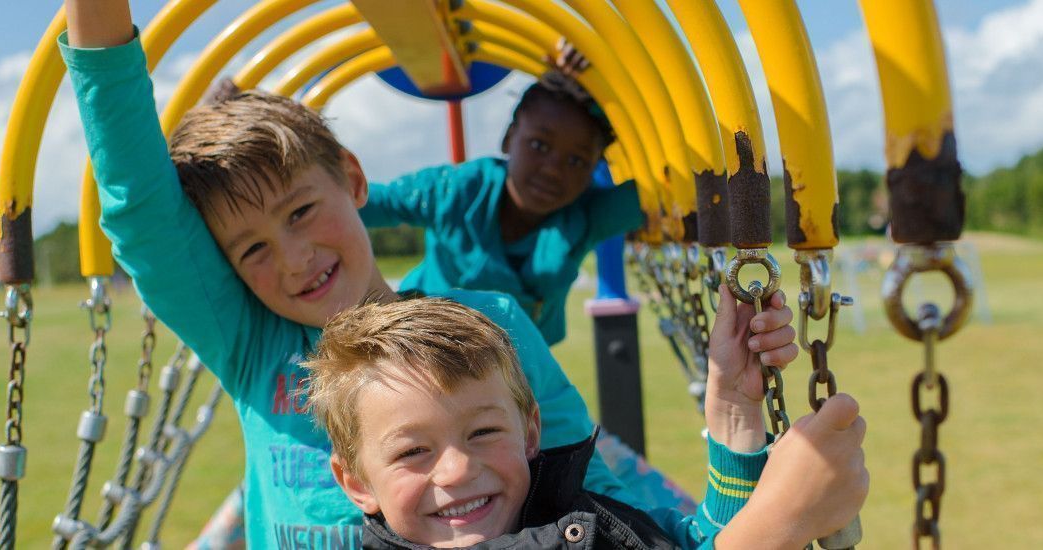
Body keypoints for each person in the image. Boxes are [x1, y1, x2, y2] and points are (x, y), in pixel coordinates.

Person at [57, 2, 821, 548]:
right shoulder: (252, 341)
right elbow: (137, 205)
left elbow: (640, 523)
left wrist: (732, 419)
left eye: (299, 212)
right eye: (251, 249)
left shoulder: (490, 329)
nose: (292, 259)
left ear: (353, 180)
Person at [305, 294, 868, 548]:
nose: (455, 470)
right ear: (355, 482)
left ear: (530, 432)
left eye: (482, 432)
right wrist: (781, 525)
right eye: (412, 452)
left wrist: (734, 412)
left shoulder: (571, 514)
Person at [361, 69, 634, 347]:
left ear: (594, 169)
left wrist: (608, 80)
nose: (553, 170)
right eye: (539, 145)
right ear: (508, 138)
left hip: (515, 365)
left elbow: (663, 194)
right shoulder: (456, 191)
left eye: (576, 161)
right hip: (427, 345)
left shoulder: (585, 214)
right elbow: (368, 201)